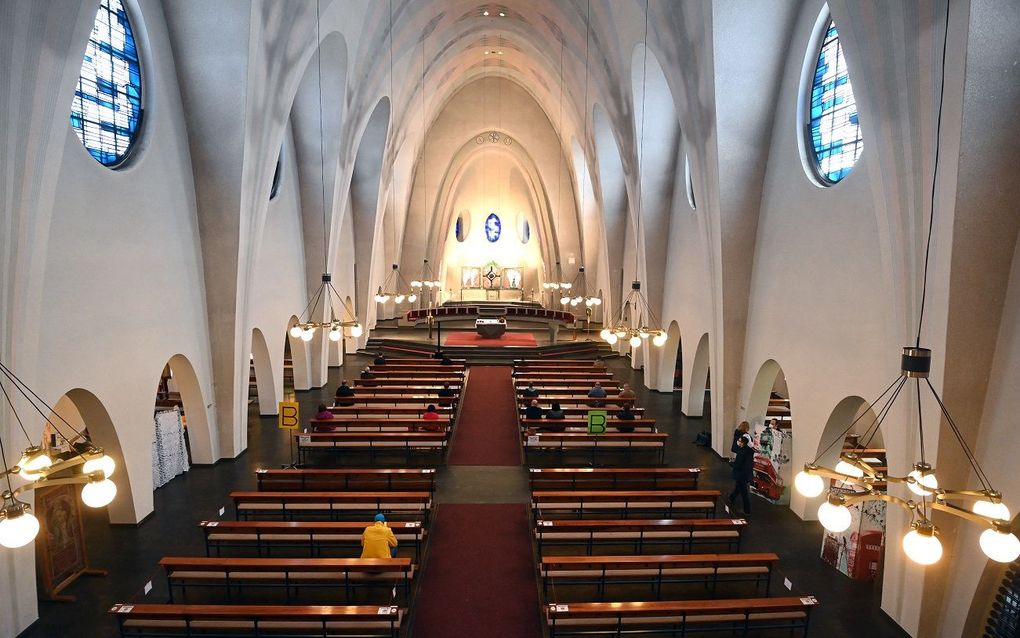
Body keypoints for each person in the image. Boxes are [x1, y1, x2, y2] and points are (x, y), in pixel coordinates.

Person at [728, 435, 754, 515]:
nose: (738, 442)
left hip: (740, 474)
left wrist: (731, 463)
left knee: (744, 493)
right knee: (738, 487)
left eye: (739, 441)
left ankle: (747, 510)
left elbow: (738, 464)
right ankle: (731, 497)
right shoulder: (749, 451)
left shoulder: (741, 452)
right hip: (746, 474)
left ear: (742, 443)